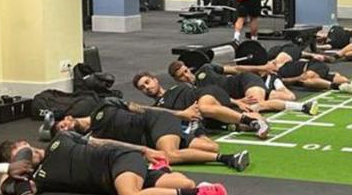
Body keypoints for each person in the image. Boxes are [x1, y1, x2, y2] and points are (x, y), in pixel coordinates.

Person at [0, 135, 227, 195]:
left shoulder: (60, 139)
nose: (27, 155)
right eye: (19, 157)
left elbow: (101, 141)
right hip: (114, 181)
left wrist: (144, 149)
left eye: (24, 149)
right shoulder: (37, 180)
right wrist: (12, 168)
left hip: (118, 160)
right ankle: (178, 181)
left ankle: (198, 194)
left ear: (25, 142)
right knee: (183, 182)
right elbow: (5, 190)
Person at [52, 100, 250, 172]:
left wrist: (179, 114)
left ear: (69, 117)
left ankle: (229, 159)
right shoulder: (92, 137)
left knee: (168, 155)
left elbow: (139, 108)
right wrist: (143, 150)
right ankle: (196, 127)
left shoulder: (103, 106)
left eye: (63, 125)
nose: (66, 129)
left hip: (155, 121)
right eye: (63, 132)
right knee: (210, 147)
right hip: (151, 138)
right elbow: (117, 145)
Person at [132, 72, 270, 138]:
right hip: (205, 112)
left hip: (204, 95)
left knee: (204, 108)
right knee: (233, 124)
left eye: (147, 82)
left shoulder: (175, 88)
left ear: (155, 80)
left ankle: (251, 122)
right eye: (142, 87)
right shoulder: (158, 108)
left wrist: (235, 100)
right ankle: (256, 121)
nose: (147, 87)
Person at [168, 60, 296, 102]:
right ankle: (276, 83)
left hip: (244, 81)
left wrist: (262, 68)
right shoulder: (191, 92)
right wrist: (237, 102)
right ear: (177, 80)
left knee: (256, 104)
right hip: (239, 97)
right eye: (181, 76)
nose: (186, 75)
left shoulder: (205, 69)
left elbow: (235, 69)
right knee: (290, 97)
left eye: (186, 71)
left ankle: (273, 80)